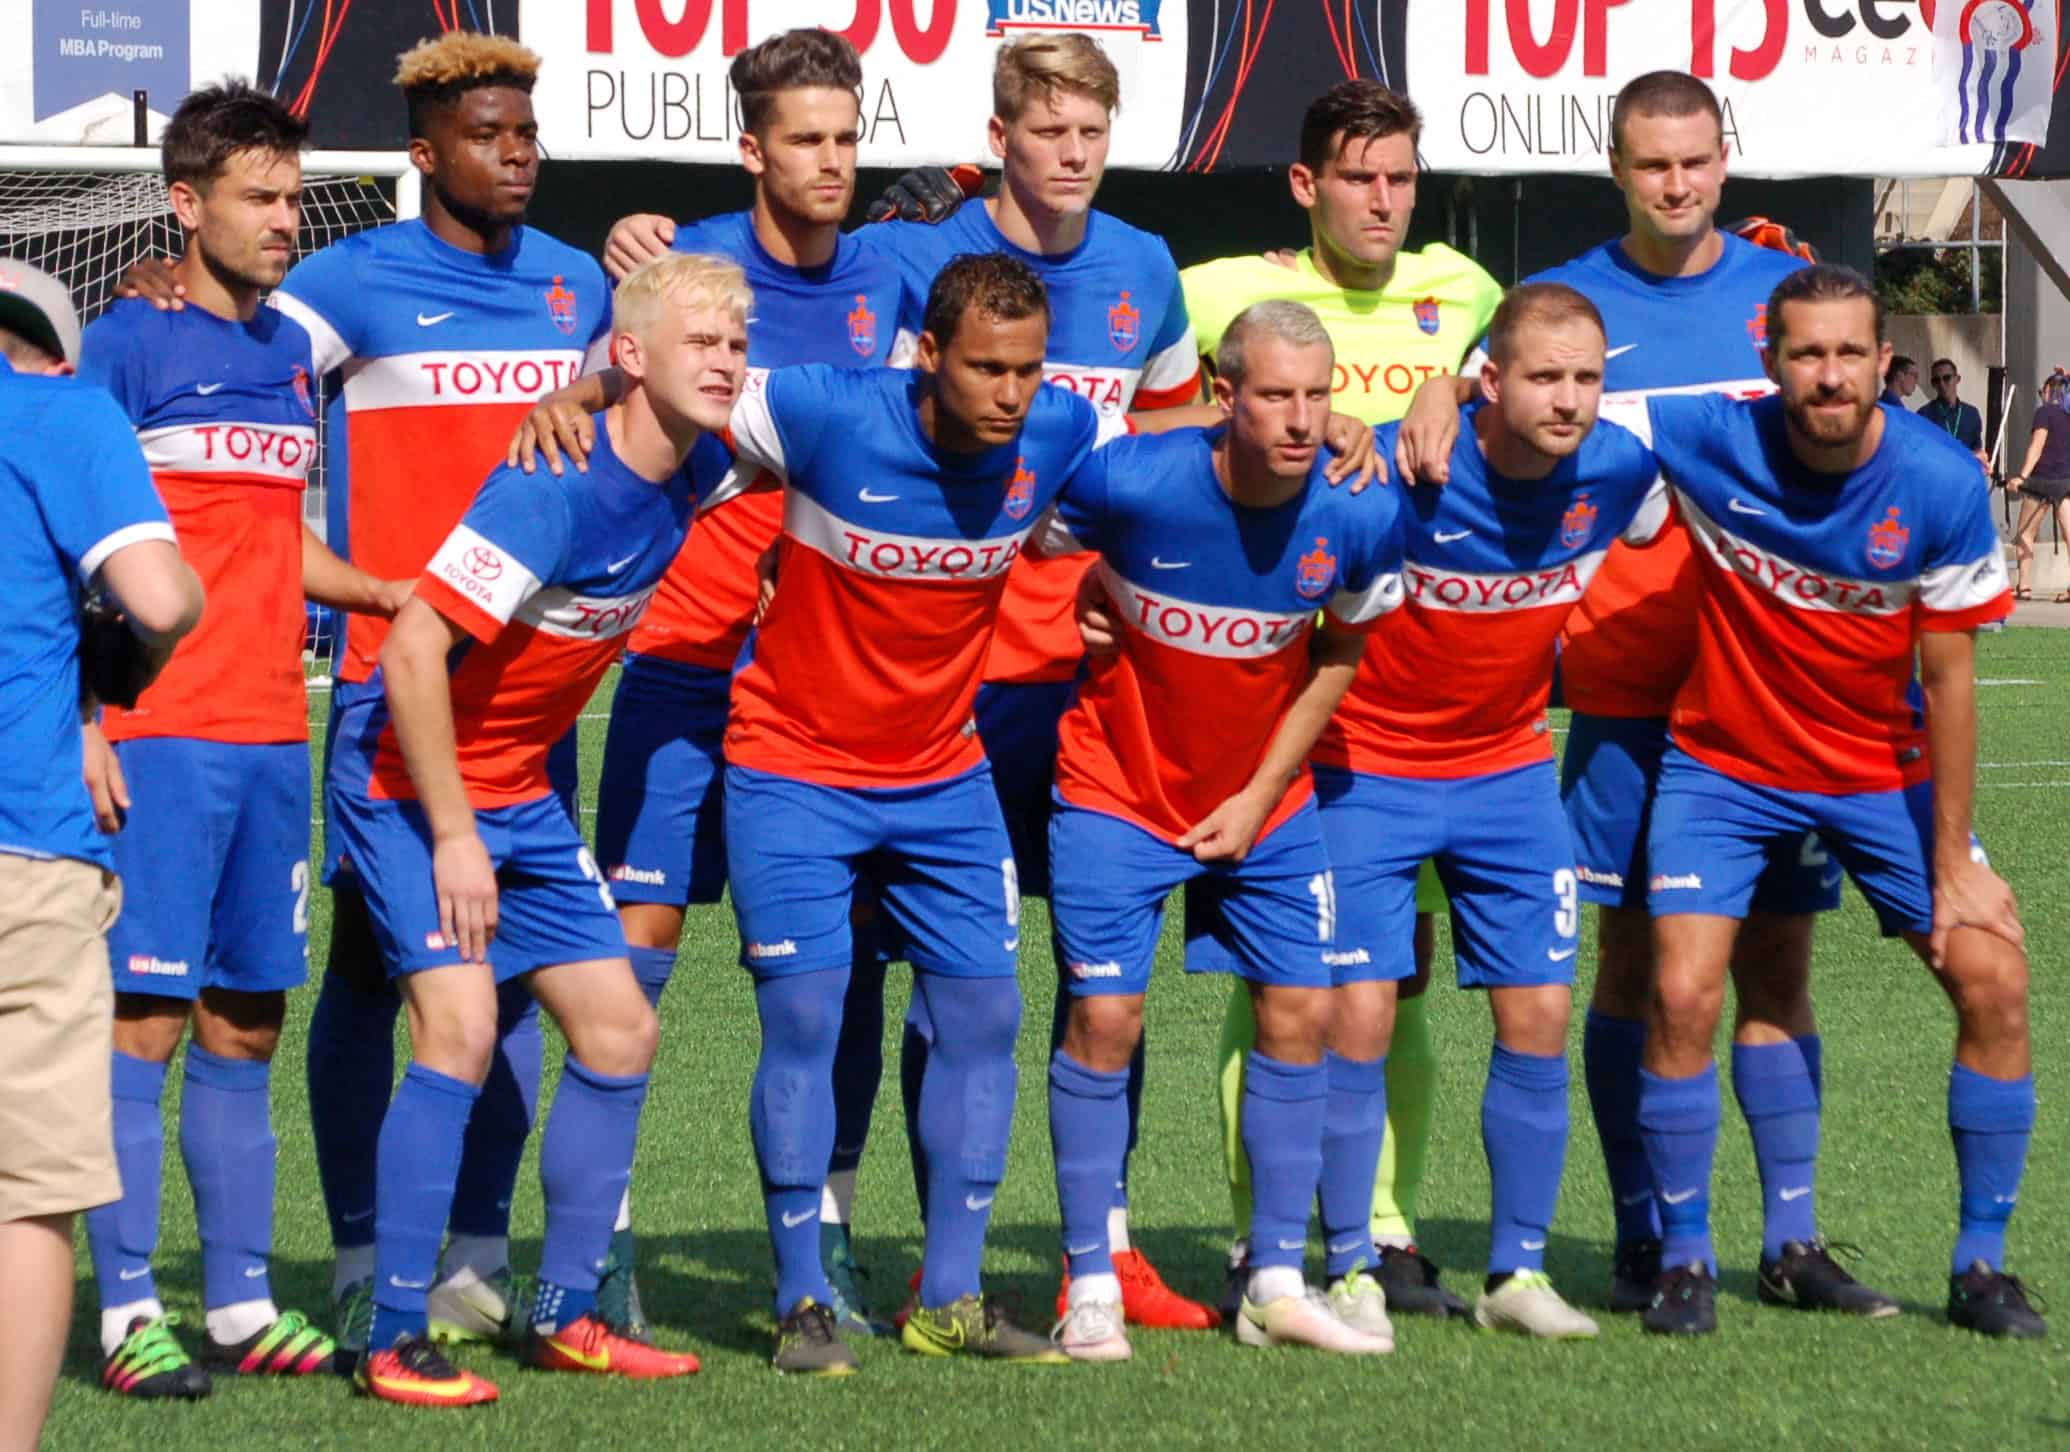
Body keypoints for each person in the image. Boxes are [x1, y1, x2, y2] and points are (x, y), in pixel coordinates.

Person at [602, 35, 1211, 1331]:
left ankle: (1068, 1256)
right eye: (1046, 129)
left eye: (1091, 129)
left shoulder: (1112, 278)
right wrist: (602, 361)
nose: (1072, 153)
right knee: (753, 979)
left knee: (1070, 973)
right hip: (801, 682)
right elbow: (669, 407)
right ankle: (753, 1248)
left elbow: (1163, 458)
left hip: (1036, 686)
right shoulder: (826, 270)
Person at [1399, 69, 1883, 1321]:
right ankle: (1645, 1236)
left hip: (1771, 694)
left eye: (1697, 160)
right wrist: (1428, 387)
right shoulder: (1563, 304)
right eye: (1652, 164)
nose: (1678, 183)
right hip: (1621, 690)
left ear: (1729, 158)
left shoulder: (1776, 302)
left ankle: (1791, 1237)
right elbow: (1461, 391)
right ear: (1615, 168)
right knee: (1635, 969)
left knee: (1775, 964)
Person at [507, 27, 917, 1337]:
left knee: (832, 977)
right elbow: (590, 395)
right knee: (632, 967)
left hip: (824, 697)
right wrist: (572, 389)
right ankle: (599, 1253)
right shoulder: (675, 262)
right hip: (682, 676)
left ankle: (829, 1243)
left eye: (846, 138)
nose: (830, 163)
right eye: (804, 139)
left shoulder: (892, 278)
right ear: (751, 149)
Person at [329, 250, 737, 1406]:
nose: (723, 364)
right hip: (410, 778)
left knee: (620, 1034)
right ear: (631, 355)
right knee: (456, 1031)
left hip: (516, 789)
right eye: (699, 344)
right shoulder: (548, 487)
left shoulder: (695, 464)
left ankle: (565, 1312)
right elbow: (411, 648)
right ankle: (390, 1331)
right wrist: (454, 833)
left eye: (734, 345)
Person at [273, 33, 613, 1361]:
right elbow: (241, 380)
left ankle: (478, 1253)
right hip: (389, 695)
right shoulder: (339, 286)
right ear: (424, 153)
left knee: (517, 979)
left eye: (526, 132)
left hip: (529, 711)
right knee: (378, 980)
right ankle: (364, 1256)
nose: (515, 154)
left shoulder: (576, 283)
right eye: (487, 133)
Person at [1629, 264, 2040, 1340]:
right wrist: (1451, 391)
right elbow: (1538, 395)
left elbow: (1950, 684)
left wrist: (1953, 863)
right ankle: (1688, 1261)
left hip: (1878, 771)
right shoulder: (1702, 435)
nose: (1829, 375)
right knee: (1684, 995)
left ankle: (1982, 1265)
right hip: (1721, 766)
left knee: (1993, 976)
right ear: (1770, 362)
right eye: (1806, 353)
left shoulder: (1941, 483)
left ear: (1882, 364)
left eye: (1850, 354)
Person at [76, 81, 407, 1400]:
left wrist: (376, 590)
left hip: (278, 730)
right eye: (259, 199)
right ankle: (119, 1312)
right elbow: (67, 534)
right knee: (141, 1021)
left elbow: (269, 538)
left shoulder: (284, 354)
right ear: (183, 203)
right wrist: (91, 714)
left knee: (245, 1019)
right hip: (159, 733)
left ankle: (240, 1301)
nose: (284, 222)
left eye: (290, 196)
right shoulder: (124, 345)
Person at [1179, 79, 1501, 1322]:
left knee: (1400, 974)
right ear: (1306, 185)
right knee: (1279, 973)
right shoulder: (1209, 292)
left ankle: (1385, 1227)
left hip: (1420, 698)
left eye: (1403, 178)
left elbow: (1513, 361)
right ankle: (1253, 1237)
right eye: (1361, 177)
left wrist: (1451, 385)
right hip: (1274, 689)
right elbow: (1142, 408)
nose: (1385, 200)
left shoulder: (1460, 290)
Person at [1043, 301, 1403, 1362]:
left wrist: (1258, 796)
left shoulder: (1358, 512)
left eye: (1316, 395)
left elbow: (1339, 654)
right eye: (1276, 394)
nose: (1300, 419)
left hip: (1268, 801)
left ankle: (1276, 1279)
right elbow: (1029, 545)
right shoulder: (1128, 480)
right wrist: (1077, 598)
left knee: (1302, 1010)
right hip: (1115, 784)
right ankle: (1092, 1279)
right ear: (1224, 389)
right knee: (1105, 1021)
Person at [1327, 282, 1667, 1340]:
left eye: (1587, 379)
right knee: (1363, 1016)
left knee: (1540, 1015)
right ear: (1490, 379)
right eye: (1544, 377)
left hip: (1510, 775)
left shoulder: (1621, 469)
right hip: (1367, 771)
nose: (1569, 401)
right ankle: (1347, 1266)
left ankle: (1518, 1274)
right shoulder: (1391, 464)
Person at [0, 259, 202, 1449]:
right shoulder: (63, 411)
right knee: (24, 1195)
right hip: (22, 841)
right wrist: (103, 686)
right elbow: (161, 599)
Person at [2004, 372, 2070, 601]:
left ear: (2050, 391)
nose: (2041, 396)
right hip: (2066, 482)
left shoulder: (2045, 412)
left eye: (2042, 392)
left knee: (2025, 533)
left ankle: (2024, 586)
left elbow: (2037, 446)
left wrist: (2022, 477)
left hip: (2041, 481)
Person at [1916, 358, 1985, 460]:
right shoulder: (1924, 414)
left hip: (1964, 472)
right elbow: (1920, 451)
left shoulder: (1971, 413)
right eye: (1936, 380)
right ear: (1932, 384)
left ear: (1957, 379)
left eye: (1946, 378)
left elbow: (1977, 450)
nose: (1941, 384)